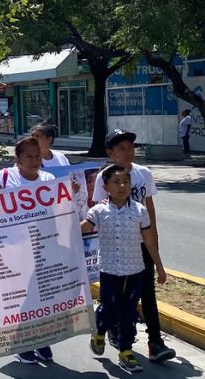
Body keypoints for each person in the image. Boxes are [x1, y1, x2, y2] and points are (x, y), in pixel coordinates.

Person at [92, 129, 176, 362]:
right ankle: (112, 327)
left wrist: (154, 247)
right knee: (117, 296)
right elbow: (99, 211)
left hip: (141, 245)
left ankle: (155, 342)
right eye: (121, 148)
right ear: (110, 152)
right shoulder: (104, 177)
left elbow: (149, 210)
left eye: (130, 147)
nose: (128, 152)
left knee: (147, 293)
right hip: (118, 247)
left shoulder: (144, 174)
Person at [83, 164, 167, 373]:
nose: (122, 186)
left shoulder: (140, 211)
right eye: (116, 182)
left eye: (126, 182)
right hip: (110, 270)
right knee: (109, 307)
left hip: (135, 270)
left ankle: (126, 351)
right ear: (106, 186)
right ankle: (100, 331)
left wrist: (159, 265)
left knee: (129, 312)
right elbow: (82, 228)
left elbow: (148, 239)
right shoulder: (99, 210)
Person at [0, 136, 55, 364]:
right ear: (17, 159)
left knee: (41, 296)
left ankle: (41, 339)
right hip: (13, 249)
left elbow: (57, 212)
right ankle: (22, 343)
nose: (33, 160)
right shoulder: (6, 177)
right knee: (20, 298)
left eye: (37, 155)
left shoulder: (48, 179)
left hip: (42, 248)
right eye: (28, 156)